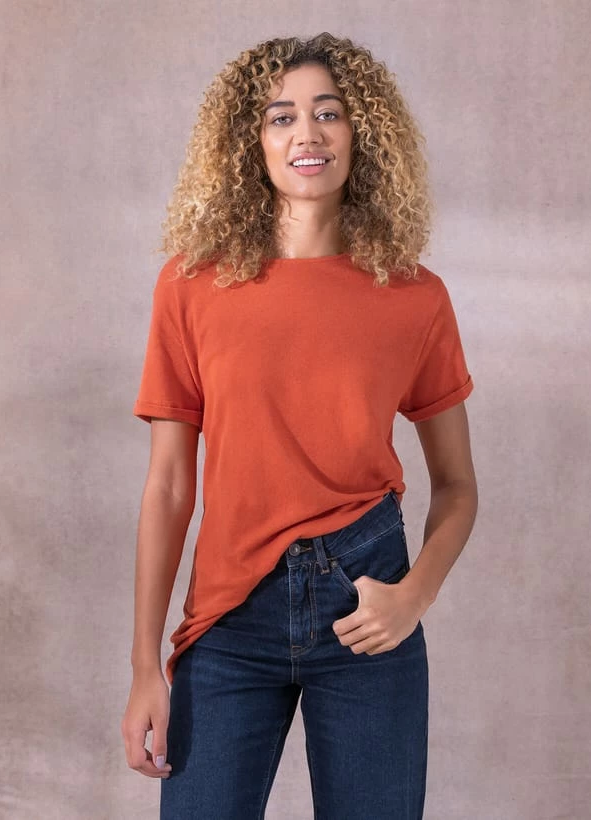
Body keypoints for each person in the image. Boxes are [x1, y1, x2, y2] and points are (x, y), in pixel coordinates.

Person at [121, 32, 478, 820]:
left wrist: (412, 596)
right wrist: (146, 664)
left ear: (362, 132)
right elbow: (170, 485)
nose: (306, 134)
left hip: (365, 604)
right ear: (249, 142)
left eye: (328, 112)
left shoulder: (414, 296)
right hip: (227, 615)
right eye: (280, 117)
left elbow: (456, 486)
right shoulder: (191, 286)